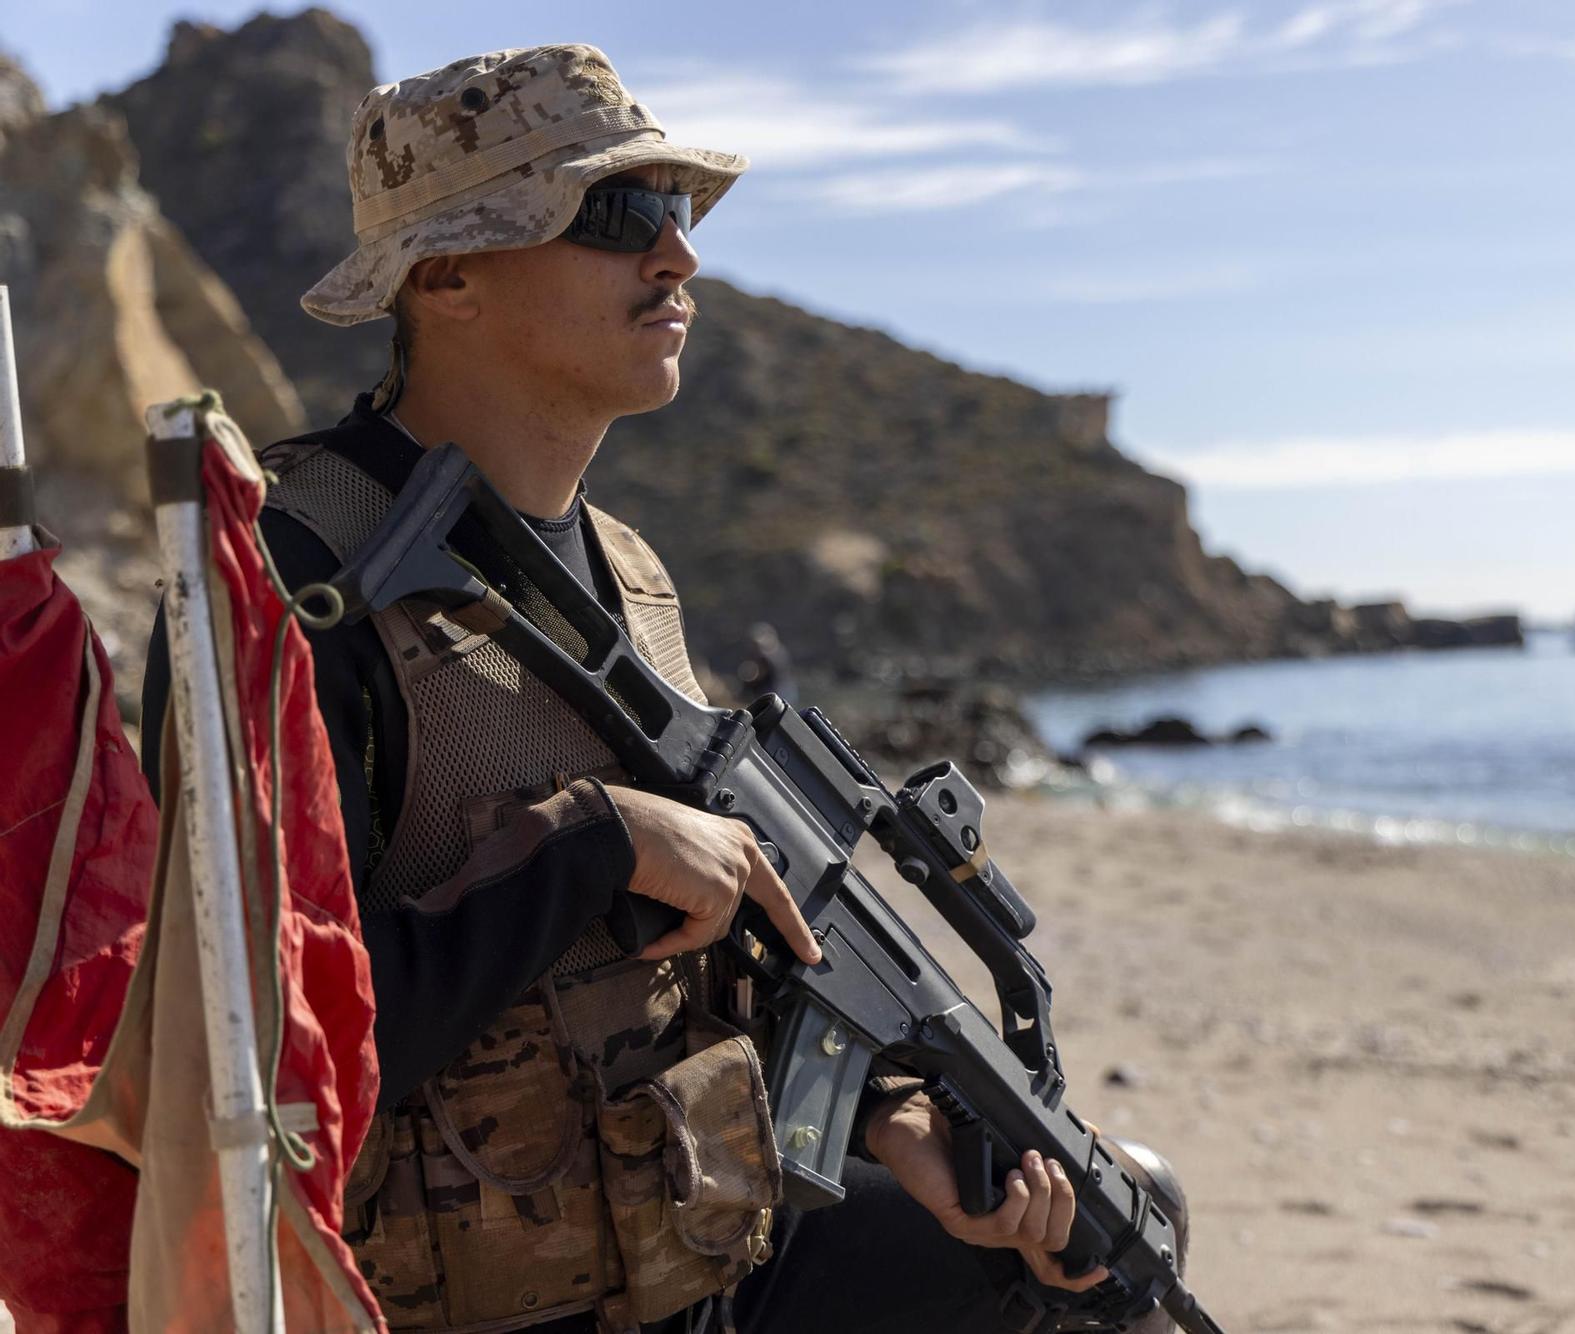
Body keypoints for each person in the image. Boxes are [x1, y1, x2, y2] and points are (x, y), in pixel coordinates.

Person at [141, 44, 1187, 1334]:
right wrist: (594, 846)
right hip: (453, 1297)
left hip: (685, 1242)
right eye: (620, 216)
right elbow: (266, 1060)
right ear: (449, 272)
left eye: (680, 215)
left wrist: (887, 1113)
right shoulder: (289, 588)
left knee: (1091, 1238)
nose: (680, 260)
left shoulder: (630, 575)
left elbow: (721, 948)